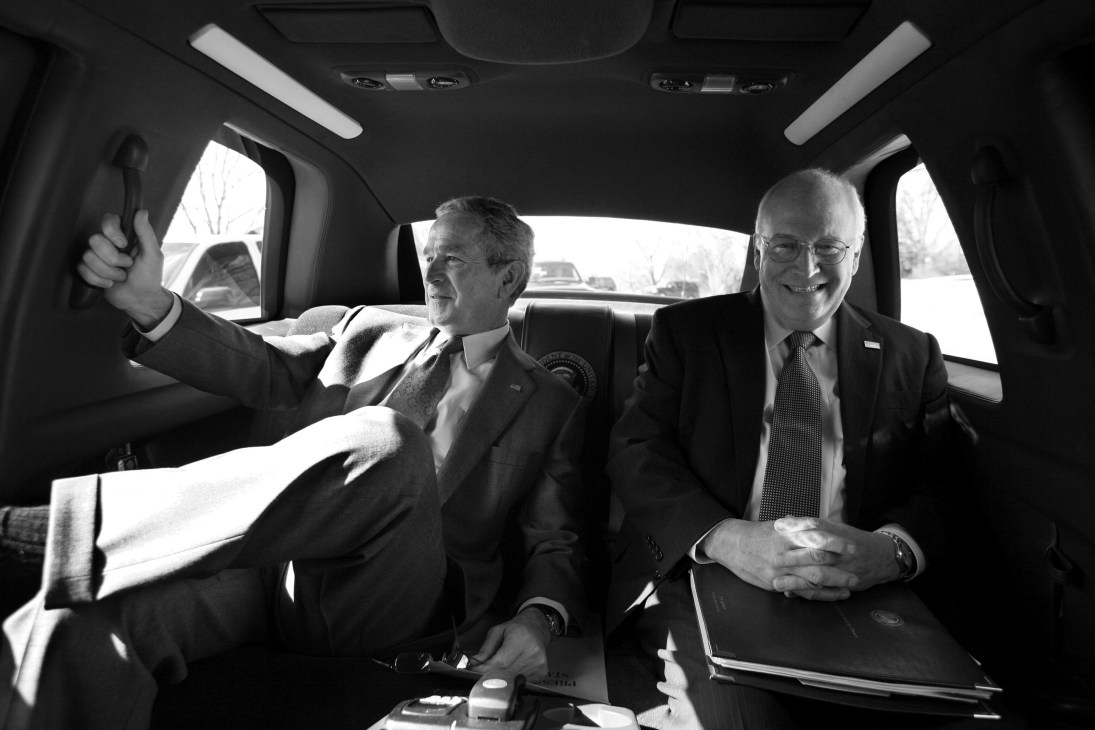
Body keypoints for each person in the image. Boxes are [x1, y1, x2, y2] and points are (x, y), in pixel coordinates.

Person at [0, 196, 587, 730]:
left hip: (393, 598)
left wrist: (543, 617)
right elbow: (259, 365)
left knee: (389, 443)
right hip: (269, 570)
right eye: (428, 254)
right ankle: (72, 550)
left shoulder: (549, 402)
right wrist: (148, 302)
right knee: (74, 625)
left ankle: (45, 534)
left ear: (508, 276)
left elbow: (553, 538)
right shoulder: (365, 329)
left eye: (452, 258)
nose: (430, 273)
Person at [605, 169, 956, 729]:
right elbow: (636, 448)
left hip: (860, 589)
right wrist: (724, 538)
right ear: (758, 248)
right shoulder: (687, 333)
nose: (807, 267)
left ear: (858, 255)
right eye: (786, 246)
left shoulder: (911, 354)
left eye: (828, 247)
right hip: (712, 574)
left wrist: (888, 552)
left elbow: (943, 483)